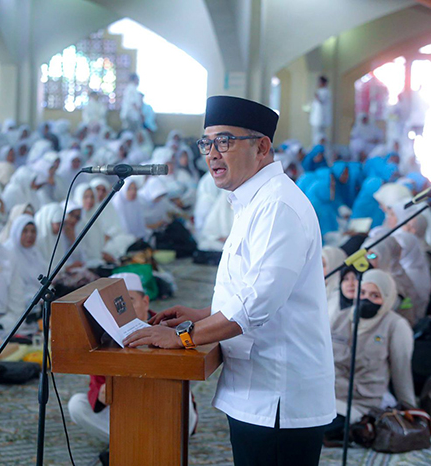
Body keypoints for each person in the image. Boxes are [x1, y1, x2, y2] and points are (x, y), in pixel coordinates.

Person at [124, 96, 335, 465]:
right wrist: (202, 315)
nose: (212, 154)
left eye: (224, 141)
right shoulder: (253, 201)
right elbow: (250, 290)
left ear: (262, 147)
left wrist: (183, 336)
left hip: (278, 397)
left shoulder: (277, 206)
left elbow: (257, 303)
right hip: (258, 388)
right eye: (206, 143)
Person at [68, 272, 198, 445]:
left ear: (145, 302)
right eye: (116, 305)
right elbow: (97, 383)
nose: (124, 310)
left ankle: (156, 444)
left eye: (129, 301)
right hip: (126, 408)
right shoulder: (104, 336)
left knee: (181, 393)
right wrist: (101, 394)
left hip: (164, 406)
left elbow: (185, 368)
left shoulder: (166, 326)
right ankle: (135, 445)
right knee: (77, 405)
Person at [324, 269, 416, 442]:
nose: (366, 299)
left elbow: (401, 371)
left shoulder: (395, 325)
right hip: (329, 395)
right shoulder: (342, 318)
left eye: (375, 296)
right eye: (363, 293)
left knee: (323, 427)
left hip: (362, 401)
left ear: (387, 298)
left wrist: (409, 409)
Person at [309, 76, 332, 146]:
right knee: (315, 135)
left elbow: (322, 101)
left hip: (321, 118)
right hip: (317, 118)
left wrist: (317, 97)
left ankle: (320, 148)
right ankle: (316, 148)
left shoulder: (326, 92)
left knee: (320, 136)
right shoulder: (319, 91)